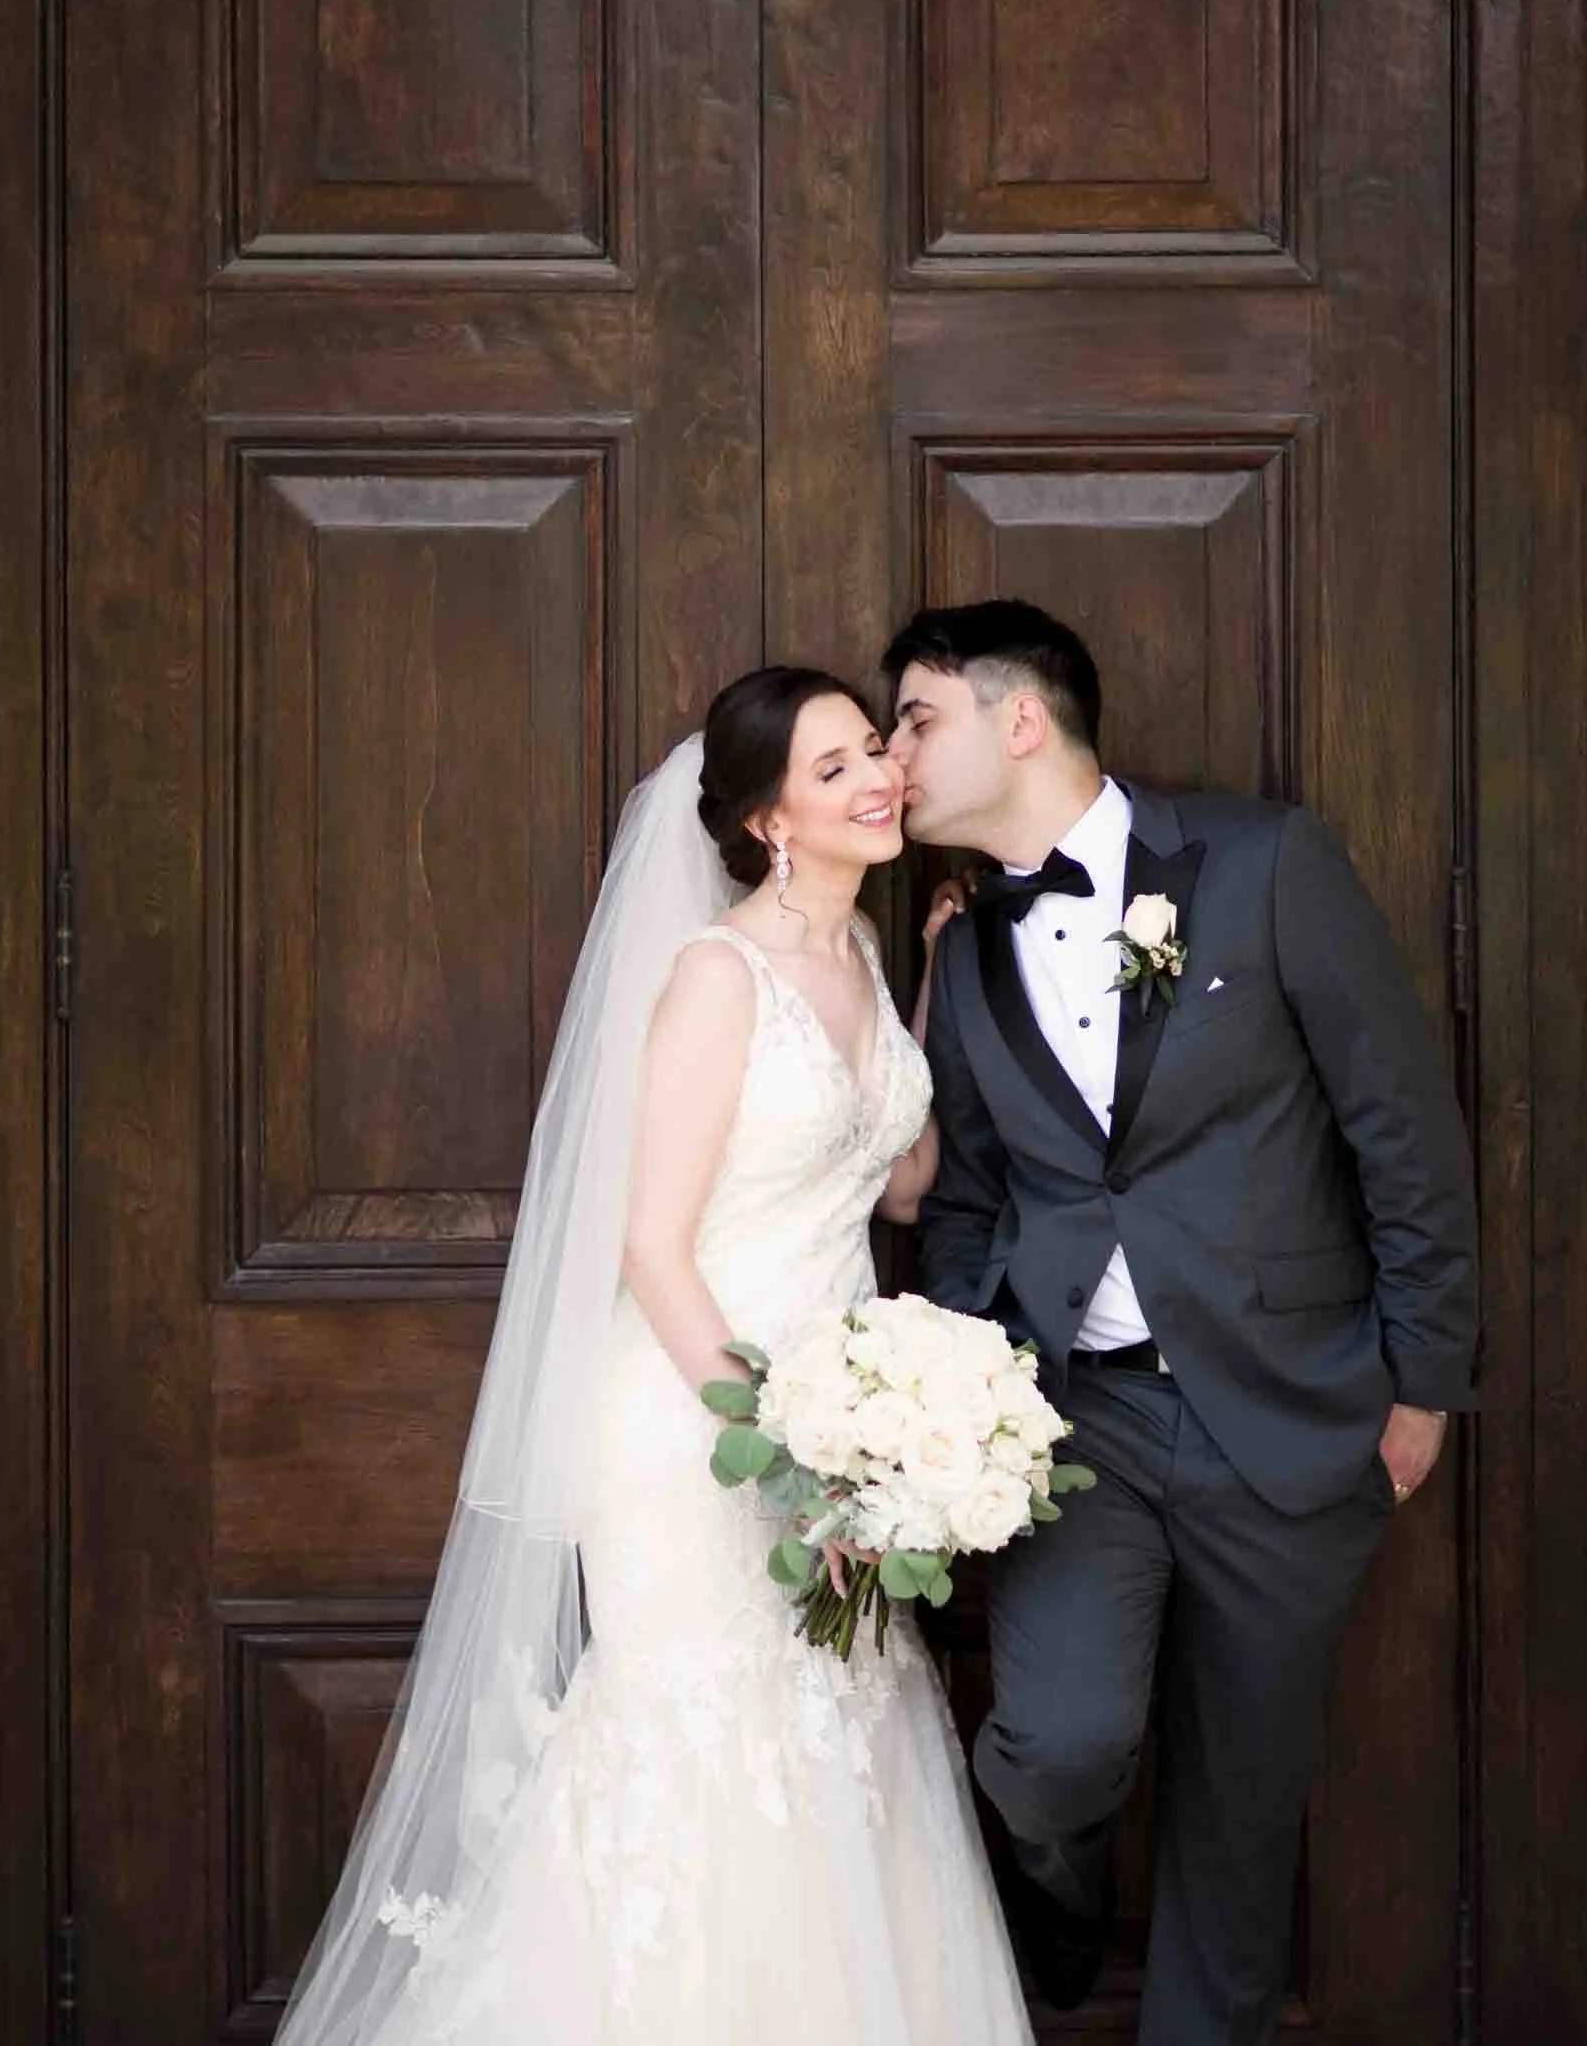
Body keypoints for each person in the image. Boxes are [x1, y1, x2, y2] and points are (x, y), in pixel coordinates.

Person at [276, 666, 1035, 2046]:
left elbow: (904, 1180)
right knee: (701, 1748)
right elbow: (647, 1245)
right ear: (767, 822)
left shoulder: (861, 956)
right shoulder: (716, 977)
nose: (878, 777)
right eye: (831, 769)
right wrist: (787, 1451)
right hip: (701, 1426)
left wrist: (929, 988)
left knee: (838, 1736)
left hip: (844, 1427)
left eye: (874, 747)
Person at [885, 599, 1479, 2046]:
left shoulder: (1265, 863)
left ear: (1020, 719)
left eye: (915, 720)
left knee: (1240, 1813)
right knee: (1053, 1746)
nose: (895, 755)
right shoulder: (967, 951)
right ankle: (1056, 1899)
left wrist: (1422, 1384)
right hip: (1072, 1426)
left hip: (1290, 1411)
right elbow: (966, 1198)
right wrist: (961, 1403)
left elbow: (1400, 1131)